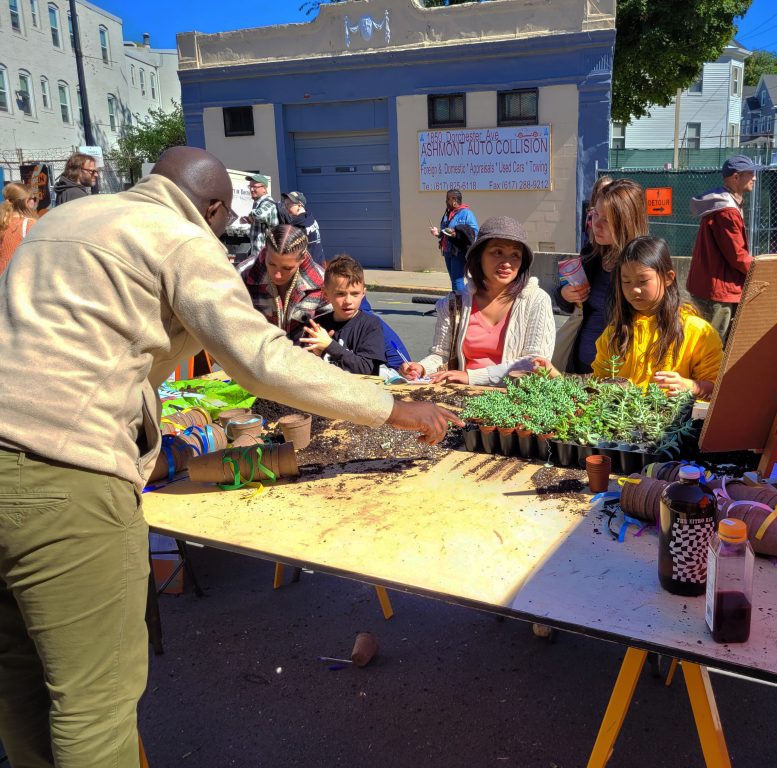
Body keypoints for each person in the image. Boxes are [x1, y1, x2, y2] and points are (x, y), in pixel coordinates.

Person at [0, 146, 459, 767]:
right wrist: (394, 409)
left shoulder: (57, 224)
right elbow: (262, 361)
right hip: (65, 474)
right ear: (212, 208)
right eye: (225, 221)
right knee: (92, 704)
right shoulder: (181, 240)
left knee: (20, 680)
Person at [401, 215, 555, 386]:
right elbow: (441, 354)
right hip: (461, 395)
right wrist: (422, 368)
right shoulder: (454, 304)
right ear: (479, 255)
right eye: (497, 252)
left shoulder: (537, 301)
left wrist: (471, 377)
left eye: (515, 255)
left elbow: (535, 363)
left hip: (516, 401)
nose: (507, 263)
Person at [592, 235, 722, 397]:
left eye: (643, 281)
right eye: (626, 282)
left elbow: (720, 388)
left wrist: (691, 386)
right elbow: (598, 383)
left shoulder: (698, 331)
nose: (634, 290)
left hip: (676, 421)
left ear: (668, 277)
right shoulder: (613, 334)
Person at [554, 178, 648, 373]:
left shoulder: (644, 263)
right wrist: (565, 294)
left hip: (619, 373)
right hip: (580, 367)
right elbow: (570, 304)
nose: (596, 224)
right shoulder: (591, 254)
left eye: (607, 219)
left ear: (627, 222)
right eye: (595, 214)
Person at [686, 154, 757, 343]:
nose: (755, 178)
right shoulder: (727, 211)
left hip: (710, 287)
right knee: (714, 347)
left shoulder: (722, 204)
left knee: (708, 345)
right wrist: (762, 271)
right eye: (751, 174)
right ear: (736, 177)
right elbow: (738, 256)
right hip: (719, 292)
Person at [237, 224, 326, 344]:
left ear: (302, 258)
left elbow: (334, 326)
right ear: (266, 252)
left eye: (287, 268)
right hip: (257, 355)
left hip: (303, 357)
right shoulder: (243, 274)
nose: (277, 275)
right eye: (272, 264)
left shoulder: (322, 281)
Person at [301, 254, 387, 374]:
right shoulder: (317, 326)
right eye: (340, 294)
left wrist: (329, 345)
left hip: (359, 390)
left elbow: (366, 369)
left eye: (355, 294)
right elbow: (304, 371)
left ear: (363, 293)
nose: (348, 301)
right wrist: (316, 356)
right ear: (326, 294)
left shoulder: (370, 325)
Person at [430, 188, 478, 292]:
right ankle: (456, 302)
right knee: (453, 279)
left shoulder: (466, 213)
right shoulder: (448, 213)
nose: (446, 202)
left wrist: (456, 234)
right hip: (448, 251)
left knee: (457, 280)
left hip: (459, 252)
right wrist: (437, 233)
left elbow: (474, 232)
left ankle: (460, 304)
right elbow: (444, 232)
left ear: (454, 200)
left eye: (447, 199)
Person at [0, 182, 39, 276]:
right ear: (26, 201)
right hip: (20, 278)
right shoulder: (30, 223)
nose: (35, 201)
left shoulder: (3, 221)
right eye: (33, 198)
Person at [280, 190, 325, 265]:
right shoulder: (309, 217)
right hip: (320, 260)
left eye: (289, 204)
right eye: (285, 204)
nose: (285, 207)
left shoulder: (299, 226)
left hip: (310, 267)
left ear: (300, 205)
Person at [240, 173, 278, 257]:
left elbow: (260, 215)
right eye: (250, 187)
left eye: (255, 187)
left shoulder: (268, 202)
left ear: (264, 188)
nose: (252, 189)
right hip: (259, 255)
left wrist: (250, 215)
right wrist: (249, 219)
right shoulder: (258, 203)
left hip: (266, 256)